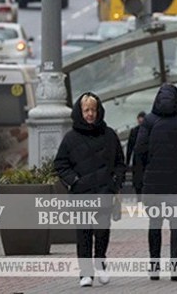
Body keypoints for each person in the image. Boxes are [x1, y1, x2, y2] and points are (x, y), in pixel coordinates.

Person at [54, 92, 125, 288]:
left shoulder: (109, 135)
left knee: (102, 232)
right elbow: (60, 164)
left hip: (104, 192)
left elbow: (120, 162)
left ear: (99, 111)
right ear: (80, 112)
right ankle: (85, 273)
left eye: (93, 110)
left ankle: (100, 264)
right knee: (83, 234)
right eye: (86, 110)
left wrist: (115, 182)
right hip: (81, 193)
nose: (90, 114)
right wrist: (74, 181)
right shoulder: (70, 138)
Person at [135, 84, 177, 281]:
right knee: (176, 223)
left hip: (154, 182)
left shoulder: (149, 121)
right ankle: (175, 268)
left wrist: (146, 173)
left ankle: (154, 267)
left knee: (155, 223)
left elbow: (140, 151)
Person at [125, 111, 146, 198]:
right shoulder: (149, 130)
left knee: (138, 181)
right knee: (140, 181)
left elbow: (130, 147)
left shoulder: (134, 131)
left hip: (139, 160)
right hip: (142, 160)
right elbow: (130, 147)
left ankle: (140, 199)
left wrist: (127, 162)